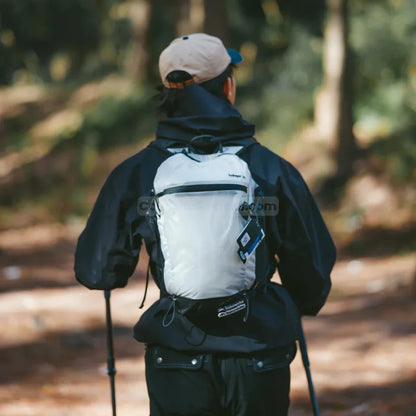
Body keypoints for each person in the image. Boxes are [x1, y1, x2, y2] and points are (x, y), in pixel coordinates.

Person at [75, 33, 336, 416]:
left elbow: (97, 270)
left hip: (176, 359)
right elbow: (311, 271)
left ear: (168, 92)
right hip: (259, 358)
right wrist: (301, 300)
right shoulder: (270, 169)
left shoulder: (137, 173)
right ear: (227, 87)